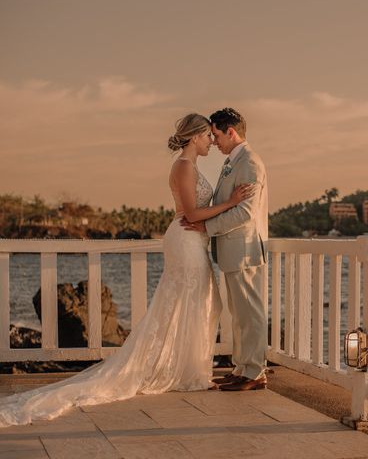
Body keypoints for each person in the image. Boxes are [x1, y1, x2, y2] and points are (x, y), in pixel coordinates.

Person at [0, 113, 253, 427]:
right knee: (192, 302)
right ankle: (190, 374)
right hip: (186, 241)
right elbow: (191, 212)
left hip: (192, 240)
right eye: (206, 137)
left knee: (198, 303)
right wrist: (231, 202)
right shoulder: (184, 167)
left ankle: (191, 370)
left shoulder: (191, 166)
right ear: (193, 137)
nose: (211, 142)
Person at [183, 107, 269, 391]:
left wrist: (206, 228)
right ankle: (242, 367)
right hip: (233, 250)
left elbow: (245, 212)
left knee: (250, 313)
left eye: (217, 135)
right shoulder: (235, 160)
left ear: (231, 132)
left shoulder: (250, 163)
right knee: (239, 312)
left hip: (244, 250)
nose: (214, 141)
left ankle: (255, 373)